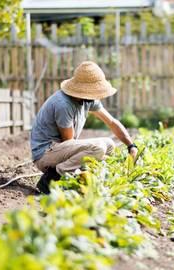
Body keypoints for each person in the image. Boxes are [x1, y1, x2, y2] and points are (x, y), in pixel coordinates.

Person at [30, 61, 138, 194]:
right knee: (98, 148)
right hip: (46, 154)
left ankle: (81, 176)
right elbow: (68, 142)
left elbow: (111, 122)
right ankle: (52, 178)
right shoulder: (63, 104)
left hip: (61, 150)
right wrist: (101, 157)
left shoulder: (86, 100)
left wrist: (131, 146)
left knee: (109, 144)